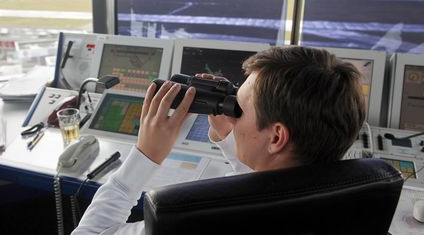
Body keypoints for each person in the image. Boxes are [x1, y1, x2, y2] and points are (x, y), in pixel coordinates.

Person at [72, 46, 366, 234]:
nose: (233, 113)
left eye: (239, 107)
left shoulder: (193, 220)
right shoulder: (347, 202)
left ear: (276, 136)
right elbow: (266, 186)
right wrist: (229, 136)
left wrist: (146, 155)